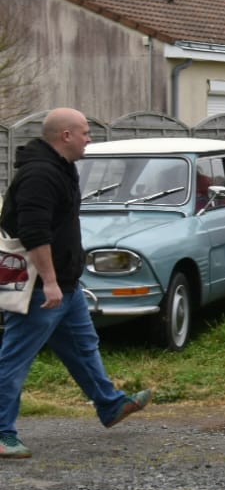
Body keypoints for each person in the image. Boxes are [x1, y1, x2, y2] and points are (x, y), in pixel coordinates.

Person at [0, 109, 152, 459]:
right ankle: (2, 433)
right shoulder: (39, 174)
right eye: (85, 132)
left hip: (66, 284)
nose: (89, 139)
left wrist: (65, 280)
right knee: (15, 359)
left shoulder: (62, 168)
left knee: (83, 347)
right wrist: (51, 282)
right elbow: (34, 233)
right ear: (65, 136)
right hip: (41, 289)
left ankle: (111, 405)